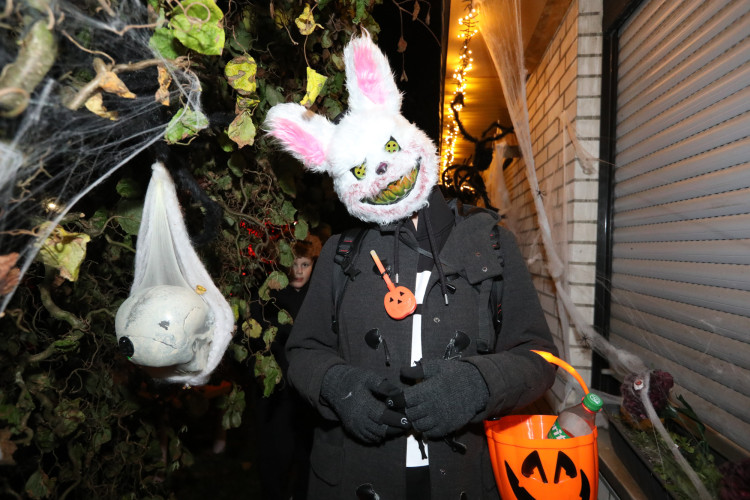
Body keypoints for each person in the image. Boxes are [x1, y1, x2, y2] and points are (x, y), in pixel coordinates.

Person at [265, 33, 558, 499]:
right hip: (354, 478)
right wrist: (337, 386)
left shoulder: (491, 243)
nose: (381, 174)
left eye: (387, 153)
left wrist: (479, 385)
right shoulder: (340, 254)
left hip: (463, 480)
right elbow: (303, 352)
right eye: (360, 170)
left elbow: (540, 358)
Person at [252, 237, 321, 500]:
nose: (300, 271)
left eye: (306, 264)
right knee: (275, 453)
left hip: (308, 390)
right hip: (276, 389)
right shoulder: (269, 296)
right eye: (294, 265)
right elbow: (255, 337)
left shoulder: (319, 294)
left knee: (308, 453)